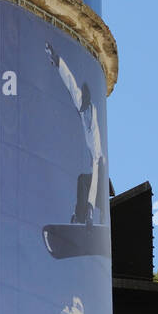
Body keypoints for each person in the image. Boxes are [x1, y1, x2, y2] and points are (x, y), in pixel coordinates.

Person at [45, 42, 107, 225]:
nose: (82, 116)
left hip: (101, 175)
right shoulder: (82, 106)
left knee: (88, 181)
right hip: (95, 174)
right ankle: (78, 217)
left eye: (84, 112)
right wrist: (57, 60)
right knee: (81, 180)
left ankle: (91, 214)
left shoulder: (94, 130)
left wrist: (90, 209)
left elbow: (96, 172)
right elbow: (71, 83)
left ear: (90, 110)